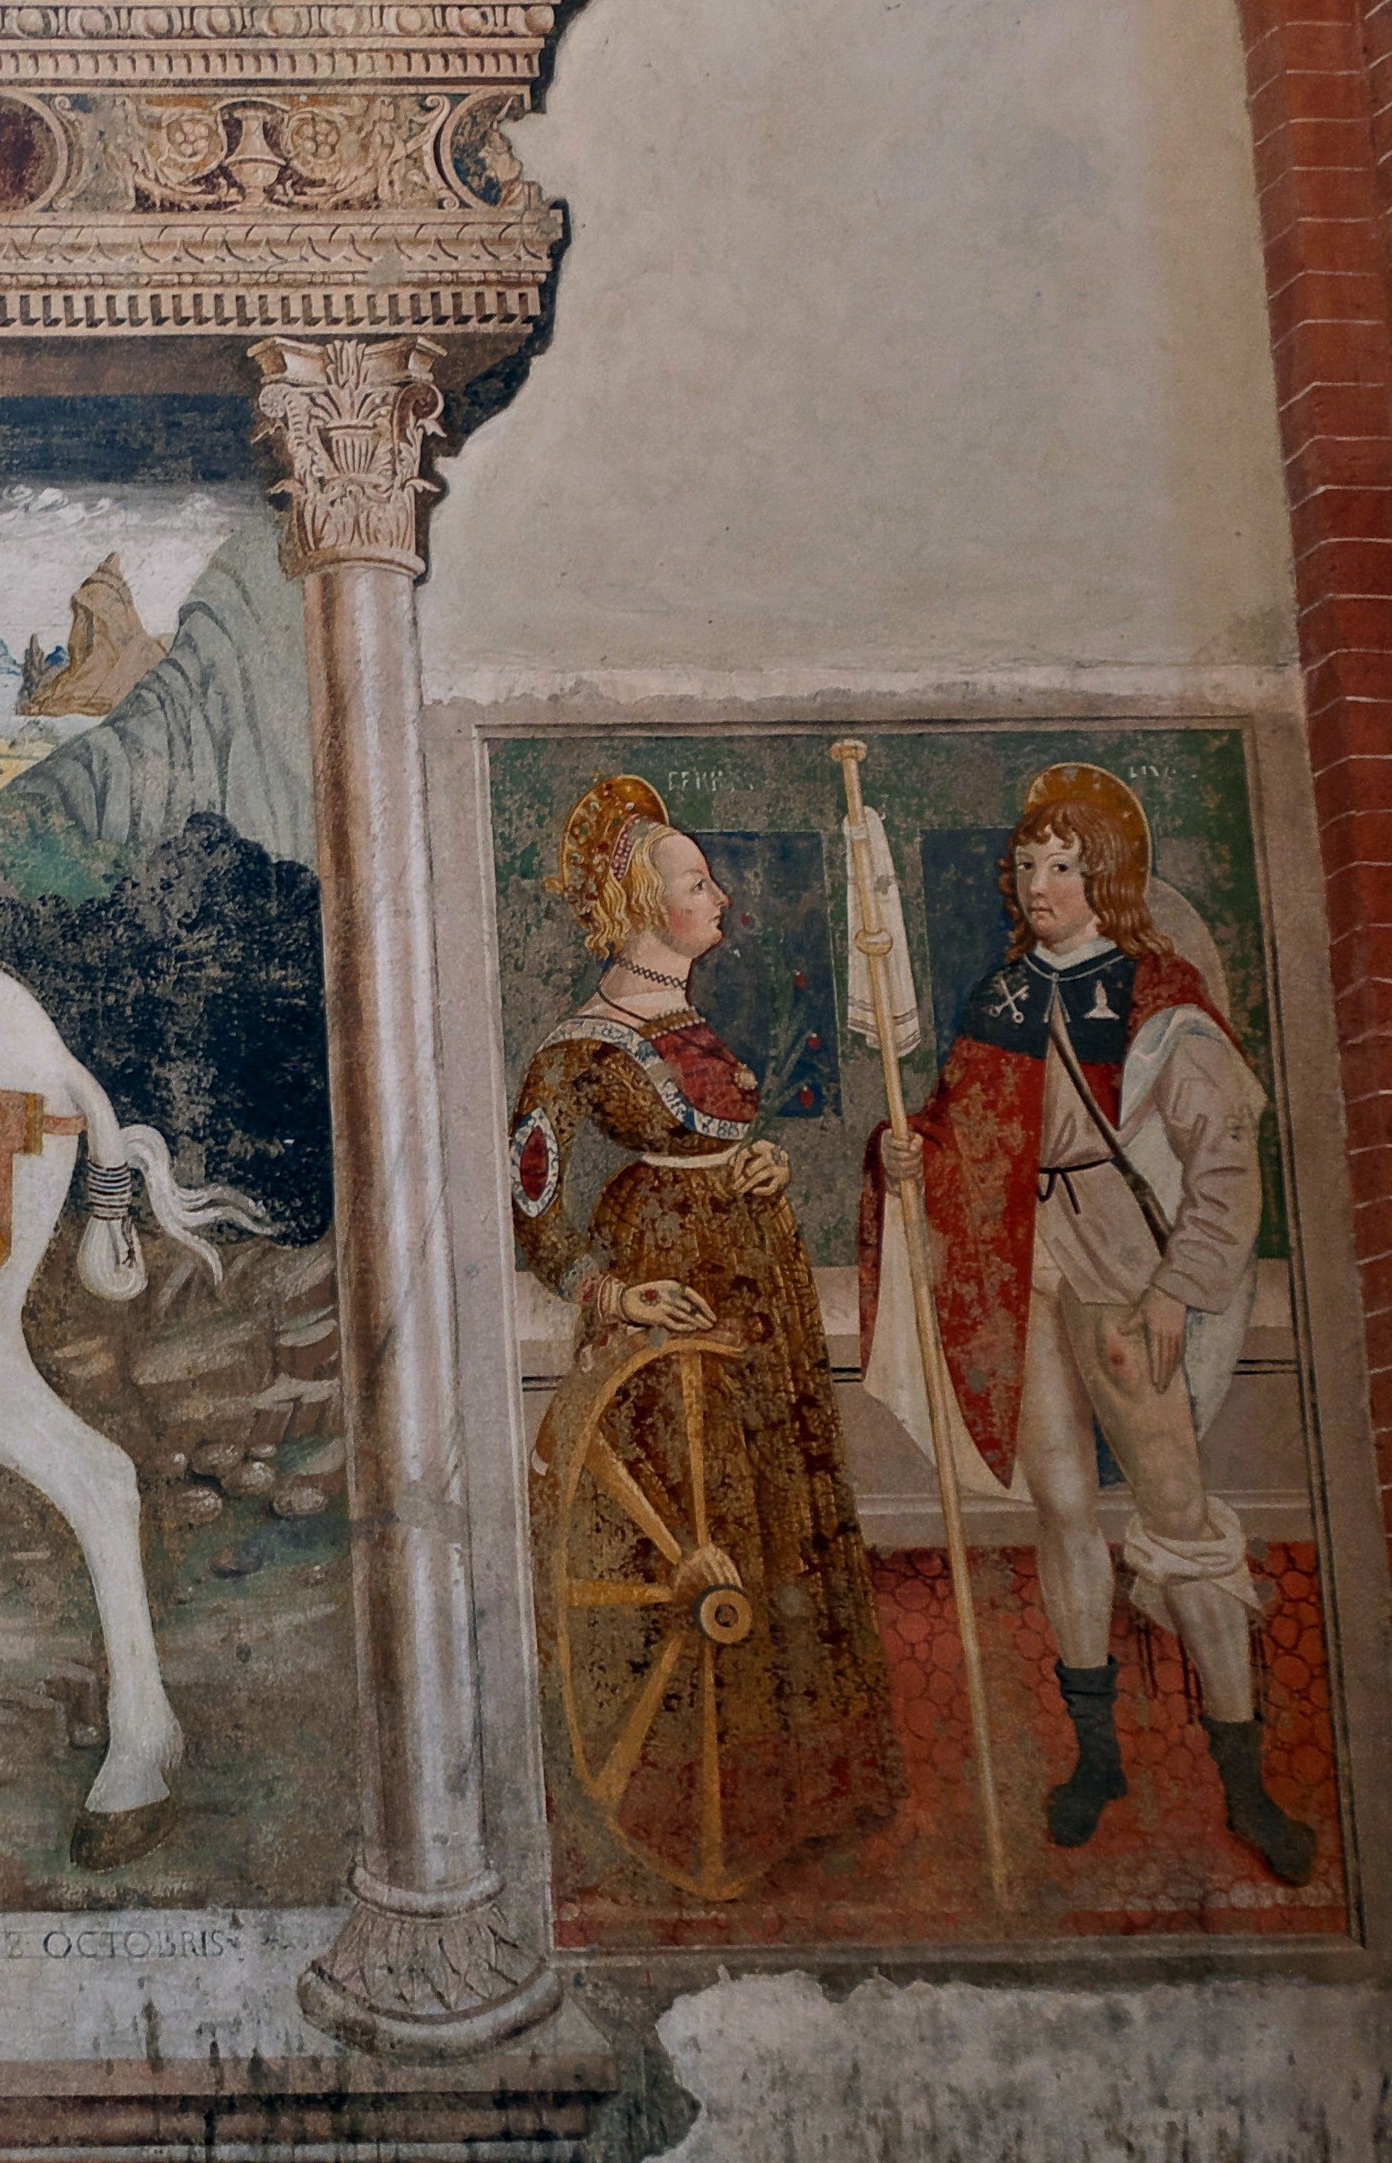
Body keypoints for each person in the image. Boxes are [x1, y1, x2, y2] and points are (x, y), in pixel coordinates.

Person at [866, 762, 1309, 1881]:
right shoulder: (1000, 997)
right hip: (1022, 1275)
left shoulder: (1159, 999)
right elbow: (953, 1122)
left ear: (1103, 874)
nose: (1039, 882)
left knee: (1177, 1515)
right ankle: (1096, 1754)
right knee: (1061, 1509)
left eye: (1062, 864)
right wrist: (903, 1151)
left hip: (1123, 1277)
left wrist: (1173, 1290)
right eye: (1027, 864)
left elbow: (1223, 1168)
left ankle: (1244, 1779)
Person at [509, 774, 904, 1886]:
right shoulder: (577, 1048)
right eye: (695, 881)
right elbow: (534, 1204)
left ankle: (799, 1790)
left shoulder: (693, 1025)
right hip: (671, 1284)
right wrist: (613, 1293)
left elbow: (721, 1139)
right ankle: (692, 1788)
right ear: (643, 902)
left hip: (756, 1277)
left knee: (772, 1500)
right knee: (696, 1511)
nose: (718, 894)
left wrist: (762, 1163)